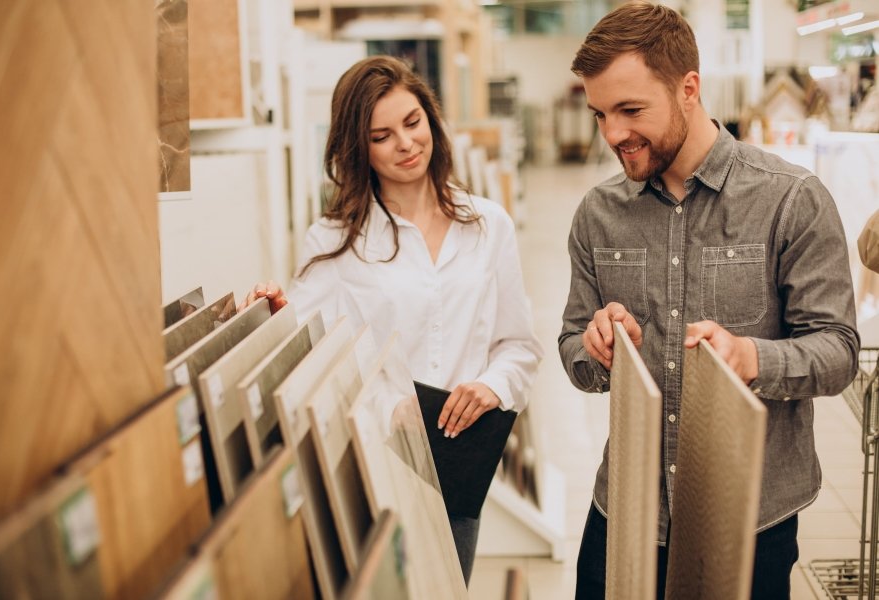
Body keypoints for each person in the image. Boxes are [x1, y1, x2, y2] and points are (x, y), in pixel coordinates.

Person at [557, 3, 859, 599]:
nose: (613, 134)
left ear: (689, 88)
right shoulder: (598, 214)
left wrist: (750, 358)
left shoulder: (791, 201)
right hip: (626, 508)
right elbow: (573, 347)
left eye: (630, 110)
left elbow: (839, 350)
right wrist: (594, 349)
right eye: (599, 114)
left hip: (750, 518)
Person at [242, 55, 543, 585]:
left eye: (412, 123)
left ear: (431, 119)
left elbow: (519, 346)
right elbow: (309, 353)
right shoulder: (335, 241)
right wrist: (272, 314)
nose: (406, 144)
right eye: (382, 136)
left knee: (450, 589)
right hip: (376, 461)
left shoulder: (488, 226)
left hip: (456, 462)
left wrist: (491, 386)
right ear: (359, 149)